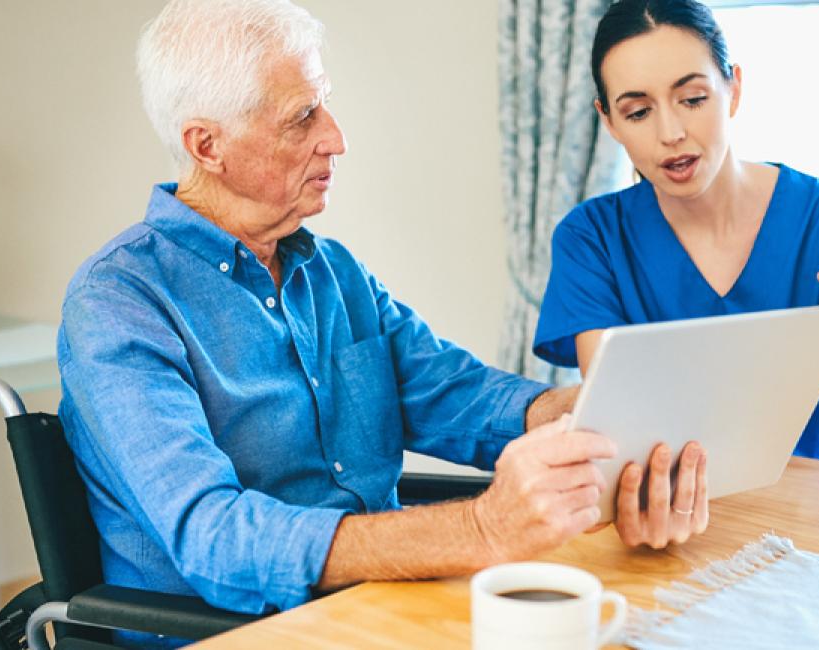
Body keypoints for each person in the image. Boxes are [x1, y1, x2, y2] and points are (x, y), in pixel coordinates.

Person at [57, 1, 707, 645]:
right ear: (208, 145)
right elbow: (214, 538)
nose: (336, 137)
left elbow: (456, 394)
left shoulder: (334, 271)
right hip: (232, 633)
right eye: (302, 116)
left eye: (325, 103)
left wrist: (606, 407)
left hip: (377, 608)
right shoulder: (119, 301)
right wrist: (480, 529)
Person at [534, 0, 819, 484]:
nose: (671, 133)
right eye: (639, 111)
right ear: (609, 121)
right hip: (679, 513)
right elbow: (624, 437)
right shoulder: (592, 239)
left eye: (692, 99)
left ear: (733, 90)